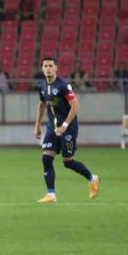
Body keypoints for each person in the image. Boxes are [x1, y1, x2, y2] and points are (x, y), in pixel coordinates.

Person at [33, 56, 100, 204]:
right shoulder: (42, 87)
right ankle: (51, 194)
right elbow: (41, 105)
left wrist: (64, 126)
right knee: (46, 158)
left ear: (56, 68)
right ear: (42, 69)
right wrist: (37, 125)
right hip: (52, 128)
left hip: (68, 128)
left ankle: (92, 178)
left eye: (51, 66)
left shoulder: (64, 86)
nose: (48, 68)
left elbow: (76, 107)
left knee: (68, 162)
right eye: (45, 66)